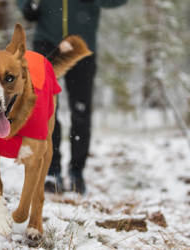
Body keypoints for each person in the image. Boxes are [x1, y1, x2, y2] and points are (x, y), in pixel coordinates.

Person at [17, 0, 128, 194]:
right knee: (47, 110)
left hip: (80, 46)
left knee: (80, 111)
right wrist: (25, 5)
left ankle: (77, 171)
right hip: (47, 43)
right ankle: (52, 170)